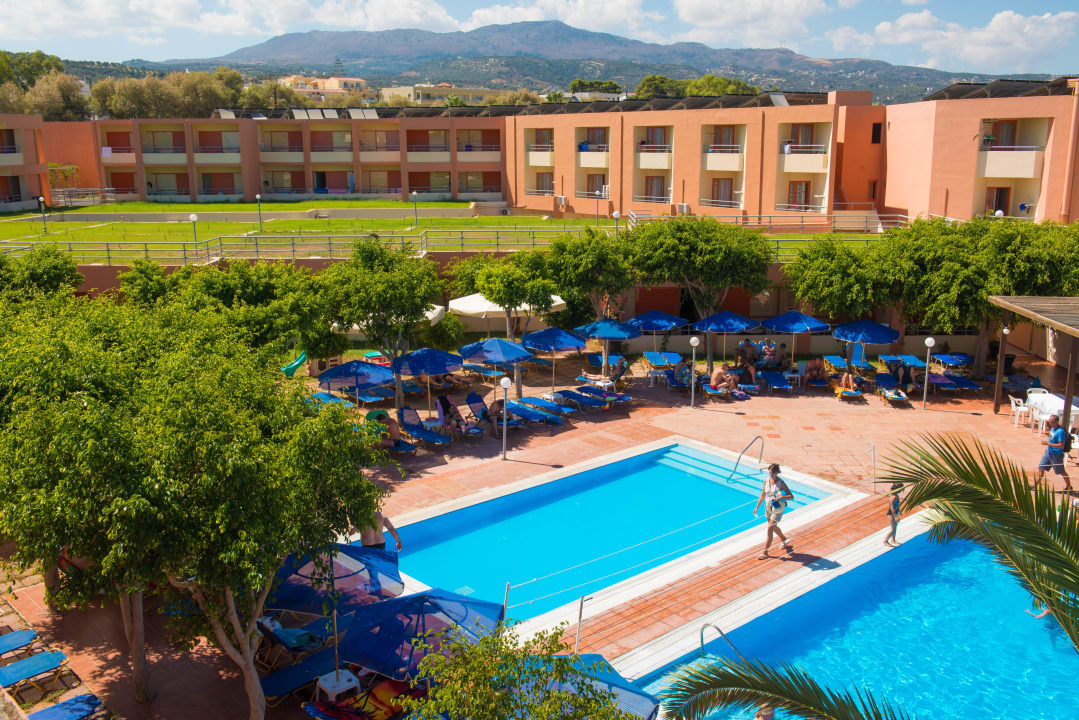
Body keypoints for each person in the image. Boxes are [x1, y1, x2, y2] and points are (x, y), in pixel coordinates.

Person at [753, 463, 794, 559]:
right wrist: (756, 507)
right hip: (768, 506)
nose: (770, 475)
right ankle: (784, 539)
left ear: (776, 473)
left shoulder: (781, 483)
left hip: (778, 508)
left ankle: (765, 552)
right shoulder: (766, 481)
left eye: (772, 473)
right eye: (769, 472)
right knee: (773, 526)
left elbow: (791, 496)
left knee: (770, 528)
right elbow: (763, 495)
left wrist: (781, 497)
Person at [1034, 414, 1071, 493]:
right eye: (1049, 422)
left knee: (1061, 471)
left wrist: (1048, 444)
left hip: (1056, 455)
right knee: (1041, 467)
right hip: (1048, 453)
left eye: (1051, 422)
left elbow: (1061, 445)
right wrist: (1047, 449)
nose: (1050, 424)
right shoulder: (1052, 429)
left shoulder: (1060, 432)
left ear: (1056, 422)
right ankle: (1034, 485)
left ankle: (1068, 485)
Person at [883, 482, 902, 547]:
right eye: (900, 489)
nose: (901, 490)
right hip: (891, 514)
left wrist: (899, 512)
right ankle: (885, 541)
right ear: (897, 489)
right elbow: (892, 508)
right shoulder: (893, 497)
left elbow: (897, 505)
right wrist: (895, 516)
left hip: (895, 513)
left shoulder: (896, 495)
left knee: (895, 527)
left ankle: (893, 540)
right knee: (893, 528)